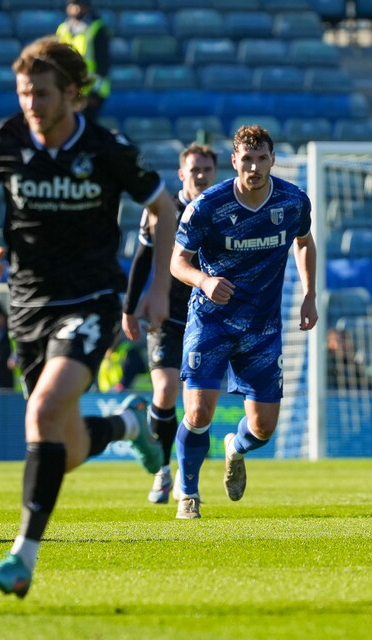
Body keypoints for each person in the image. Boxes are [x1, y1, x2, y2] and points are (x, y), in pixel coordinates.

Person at [0, 37, 177, 598]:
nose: (31, 103)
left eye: (42, 93)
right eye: (24, 92)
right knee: (68, 444)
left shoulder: (106, 148)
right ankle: (129, 427)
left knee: (44, 412)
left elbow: (163, 205)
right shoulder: (2, 140)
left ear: (73, 94)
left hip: (89, 300)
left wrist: (157, 291)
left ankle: (21, 558)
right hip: (26, 305)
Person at [169, 124, 317, 520]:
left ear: (272, 160)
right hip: (211, 321)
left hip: (262, 326)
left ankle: (236, 447)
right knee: (199, 413)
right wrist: (204, 280)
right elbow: (177, 262)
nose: (254, 167)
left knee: (264, 427)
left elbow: (304, 243)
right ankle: (188, 494)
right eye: (246, 160)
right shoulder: (207, 207)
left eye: (261, 158)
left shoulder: (292, 201)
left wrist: (309, 295)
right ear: (234, 162)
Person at [122, 143, 218, 504]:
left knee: (199, 404)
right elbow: (143, 260)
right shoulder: (163, 212)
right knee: (164, 392)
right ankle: (162, 471)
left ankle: (184, 473)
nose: (201, 176)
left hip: (208, 317)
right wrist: (129, 309)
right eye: (194, 169)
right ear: (182, 174)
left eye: (207, 170)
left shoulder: (221, 210)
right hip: (167, 314)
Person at [56, 0, 111, 120]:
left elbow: (103, 63)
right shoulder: (63, 29)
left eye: (80, 5)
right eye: (73, 5)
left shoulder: (97, 28)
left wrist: (95, 93)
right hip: (71, 89)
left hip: (91, 89)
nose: (77, 9)